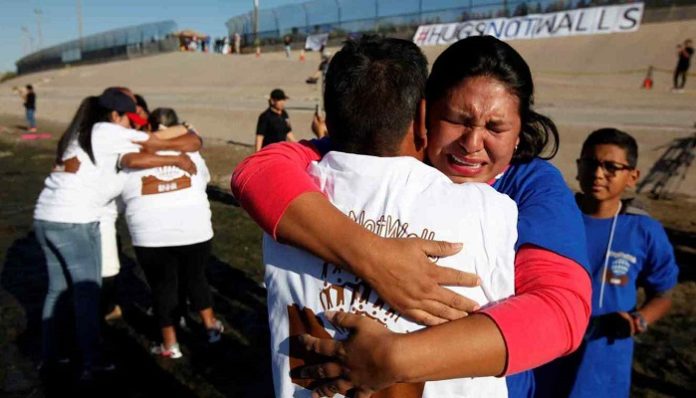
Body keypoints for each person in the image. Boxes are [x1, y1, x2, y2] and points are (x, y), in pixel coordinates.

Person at [232, 35, 591, 397]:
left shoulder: (530, 186)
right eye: (456, 120)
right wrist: (374, 257)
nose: (472, 143)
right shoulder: (378, 154)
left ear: (519, 132)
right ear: (424, 115)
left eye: (495, 128)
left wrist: (394, 360)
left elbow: (561, 313)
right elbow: (258, 173)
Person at [34, 88, 199, 381]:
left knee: (56, 290)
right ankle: (92, 361)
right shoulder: (106, 130)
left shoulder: (77, 133)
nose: (131, 125)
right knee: (87, 294)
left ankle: (51, 356)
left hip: (45, 217)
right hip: (75, 221)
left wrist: (181, 132)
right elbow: (156, 141)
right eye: (128, 119)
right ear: (115, 115)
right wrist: (177, 154)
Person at [533, 128, 679, 398]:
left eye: (611, 167)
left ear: (632, 177)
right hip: (545, 356)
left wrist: (638, 320)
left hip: (604, 364)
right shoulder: (555, 217)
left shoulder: (643, 230)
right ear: (578, 167)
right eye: (590, 163)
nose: (598, 174)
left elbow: (664, 292)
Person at [120, 107, 223, 359]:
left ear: (149, 128)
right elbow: (203, 179)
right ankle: (210, 327)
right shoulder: (192, 150)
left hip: (150, 233)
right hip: (194, 229)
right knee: (196, 277)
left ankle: (170, 344)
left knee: (162, 287)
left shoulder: (133, 152)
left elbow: (123, 194)